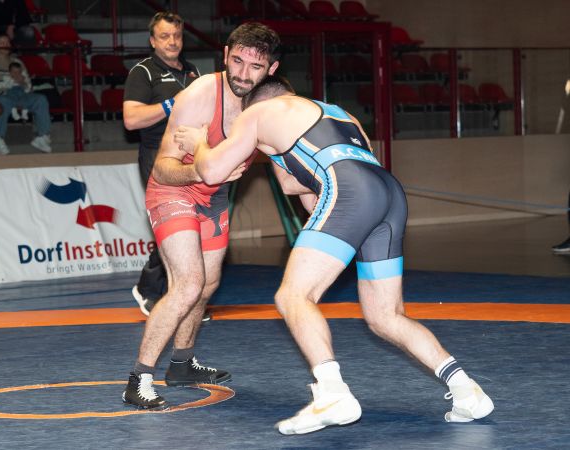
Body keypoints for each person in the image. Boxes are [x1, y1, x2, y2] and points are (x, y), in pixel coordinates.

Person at [175, 76, 495, 434]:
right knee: (386, 316)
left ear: (256, 103)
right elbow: (296, 185)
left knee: (293, 295)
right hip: (388, 194)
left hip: (350, 191)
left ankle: (332, 394)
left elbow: (211, 171)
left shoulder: (258, 113)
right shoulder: (338, 114)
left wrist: (199, 142)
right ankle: (466, 390)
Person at [121, 22, 281, 410]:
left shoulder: (270, 103)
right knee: (188, 284)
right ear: (225, 55)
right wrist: (202, 170)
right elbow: (163, 168)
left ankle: (182, 364)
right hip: (174, 188)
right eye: (237, 61)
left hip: (214, 198)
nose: (243, 74)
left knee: (208, 283)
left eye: (255, 67)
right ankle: (138, 379)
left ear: (271, 70)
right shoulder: (200, 94)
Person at [123, 11, 201, 316]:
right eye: (165, 36)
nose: (172, 41)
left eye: (177, 36)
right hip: (157, 154)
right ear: (153, 41)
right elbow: (131, 119)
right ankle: (149, 288)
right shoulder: (143, 72)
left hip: (190, 152)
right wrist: (171, 104)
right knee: (172, 223)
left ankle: (183, 296)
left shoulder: (192, 71)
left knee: (194, 225)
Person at [0, 33, 51, 154]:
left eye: (7, 42)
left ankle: (43, 137)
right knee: (3, 101)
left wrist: (22, 83)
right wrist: (7, 87)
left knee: (41, 99)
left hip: (21, 95)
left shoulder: (18, 62)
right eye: (2, 43)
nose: (6, 45)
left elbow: (28, 84)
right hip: (2, 96)